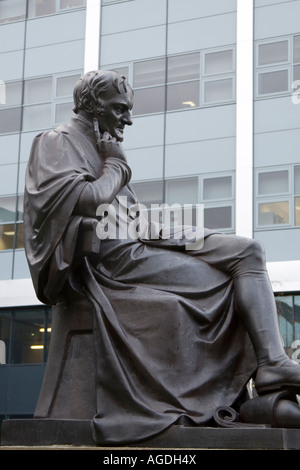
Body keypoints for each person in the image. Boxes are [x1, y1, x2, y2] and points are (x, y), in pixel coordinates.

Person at [24, 70, 300, 445]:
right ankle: (223, 395)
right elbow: (88, 201)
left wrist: (176, 231)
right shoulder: (56, 141)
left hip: (143, 236)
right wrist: (117, 167)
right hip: (109, 259)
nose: (128, 119)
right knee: (215, 281)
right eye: (119, 109)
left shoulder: (103, 145)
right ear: (91, 106)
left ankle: (271, 364)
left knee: (247, 251)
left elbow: (129, 212)